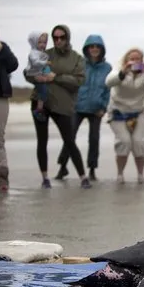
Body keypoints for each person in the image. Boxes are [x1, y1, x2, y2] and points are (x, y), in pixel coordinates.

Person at [23, 24, 91, 189]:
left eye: (62, 37)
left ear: (67, 38)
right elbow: (28, 72)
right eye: (55, 37)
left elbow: (79, 81)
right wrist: (35, 78)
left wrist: (56, 77)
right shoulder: (45, 54)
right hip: (41, 102)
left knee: (69, 141)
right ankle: (45, 178)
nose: (58, 40)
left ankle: (83, 177)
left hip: (62, 105)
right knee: (42, 140)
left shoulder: (77, 58)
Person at [56, 34, 112, 182]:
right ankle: (63, 167)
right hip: (77, 107)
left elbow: (108, 90)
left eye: (97, 46)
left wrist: (104, 107)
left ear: (102, 49)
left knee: (94, 139)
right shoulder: (78, 63)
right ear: (87, 49)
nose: (94, 49)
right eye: (91, 46)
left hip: (96, 108)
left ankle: (92, 169)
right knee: (69, 137)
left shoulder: (107, 68)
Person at [105, 48, 144, 184]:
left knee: (138, 142)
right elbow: (108, 82)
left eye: (138, 59)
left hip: (138, 113)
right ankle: (120, 174)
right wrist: (122, 73)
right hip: (118, 112)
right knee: (124, 141)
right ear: (126, 60)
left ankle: (140, 175)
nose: (135, 62)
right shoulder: (119, 69)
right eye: (132, 59)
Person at [0, 36, 19, 191]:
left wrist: (0, 48)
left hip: (0, 97)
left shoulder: (2, 48)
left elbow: (13, 65)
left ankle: (1, 179)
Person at [24, 31, 52, 122]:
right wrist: (45, 63)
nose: (42, 45)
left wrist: (47, 73)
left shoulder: (42, 53)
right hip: (33, 73)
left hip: (40, 74)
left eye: (44, 42)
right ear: (34, 42)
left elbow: (45, 67)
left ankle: (40, 109)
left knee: (43, 92)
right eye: (40, 42)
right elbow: (35, 63)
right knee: (43, 91)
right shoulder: (33, 53)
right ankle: (38, 110)